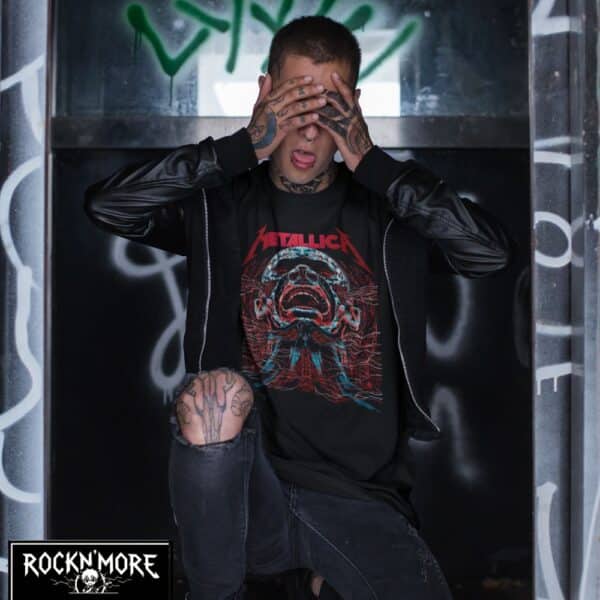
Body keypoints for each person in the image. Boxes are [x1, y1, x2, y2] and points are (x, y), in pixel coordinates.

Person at [84, 15, 512, 600]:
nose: (309, 132)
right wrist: (240, 148)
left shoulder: (388, 211)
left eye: (328, 111)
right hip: (248, 485)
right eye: (295, 105)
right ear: (265, 93)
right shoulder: (220, 204)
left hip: (358, 498)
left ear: (353, 109)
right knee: (214, 397)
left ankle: (313, 578)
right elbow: (109, 206)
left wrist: (374, 163)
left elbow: (489, 254)